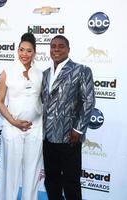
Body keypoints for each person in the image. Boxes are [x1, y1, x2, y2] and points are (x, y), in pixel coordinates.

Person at [41, 35, 95, 200]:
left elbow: (89, 101)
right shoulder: (44, 74)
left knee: (71, 182)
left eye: (61, 46)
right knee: (51, 181)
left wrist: (78, 129)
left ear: (68, 49)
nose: (56, 49)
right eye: (53, 46)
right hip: (48, 138)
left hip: (69, 137)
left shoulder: (81, 70)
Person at [0, 32, 43, 200]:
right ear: (17, 50)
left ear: (35, 53)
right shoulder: (7, 72)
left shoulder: (40, 74)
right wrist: (14, 122)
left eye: (29, 51)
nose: (24, 54)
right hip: (12, 128)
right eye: (21, 50)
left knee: (32, 173)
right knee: (11, 172)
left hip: (35, 129)